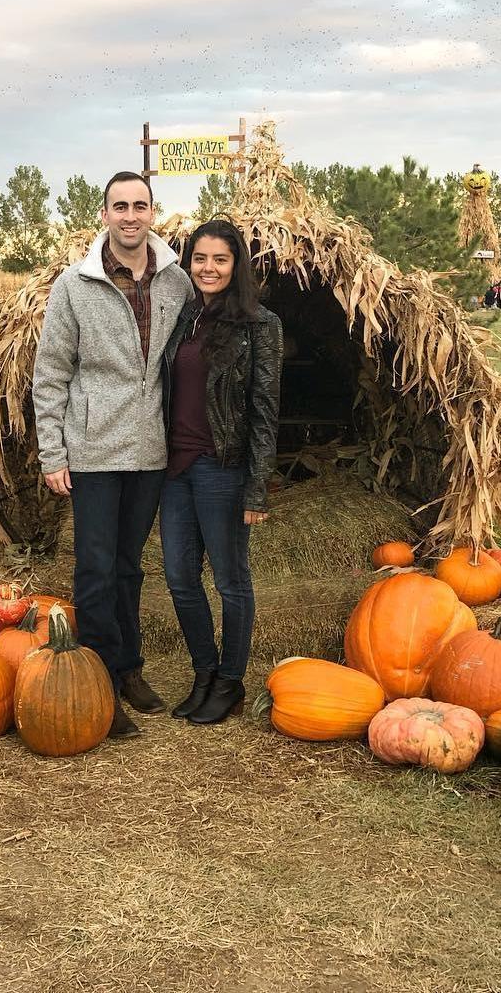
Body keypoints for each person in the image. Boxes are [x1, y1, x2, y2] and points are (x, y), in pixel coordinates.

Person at [32, 171, 194, 739]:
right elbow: (51, 374)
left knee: (129, 567)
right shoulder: (75, 286)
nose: (130, 216)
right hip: (94, 448)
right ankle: (98, 683)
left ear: (154, 213)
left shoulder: (176, 282)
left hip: (150, 449)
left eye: (140, 206)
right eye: (119, 206)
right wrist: (53, 452)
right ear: (104, 215)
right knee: (96, 569)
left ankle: (128, 668)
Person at [159, 220, 282, 725]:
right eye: (200, 259)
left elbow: (264, 411)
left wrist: (257, 488)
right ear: (189, 263)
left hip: (221, 469)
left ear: (237, 266)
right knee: (180, 578)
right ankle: (203, 672)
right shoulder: (183, 317)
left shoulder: (259, 324)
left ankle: (230, 680)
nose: (208, 269)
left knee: (231, 581)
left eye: (220, 260)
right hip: (175, 468)